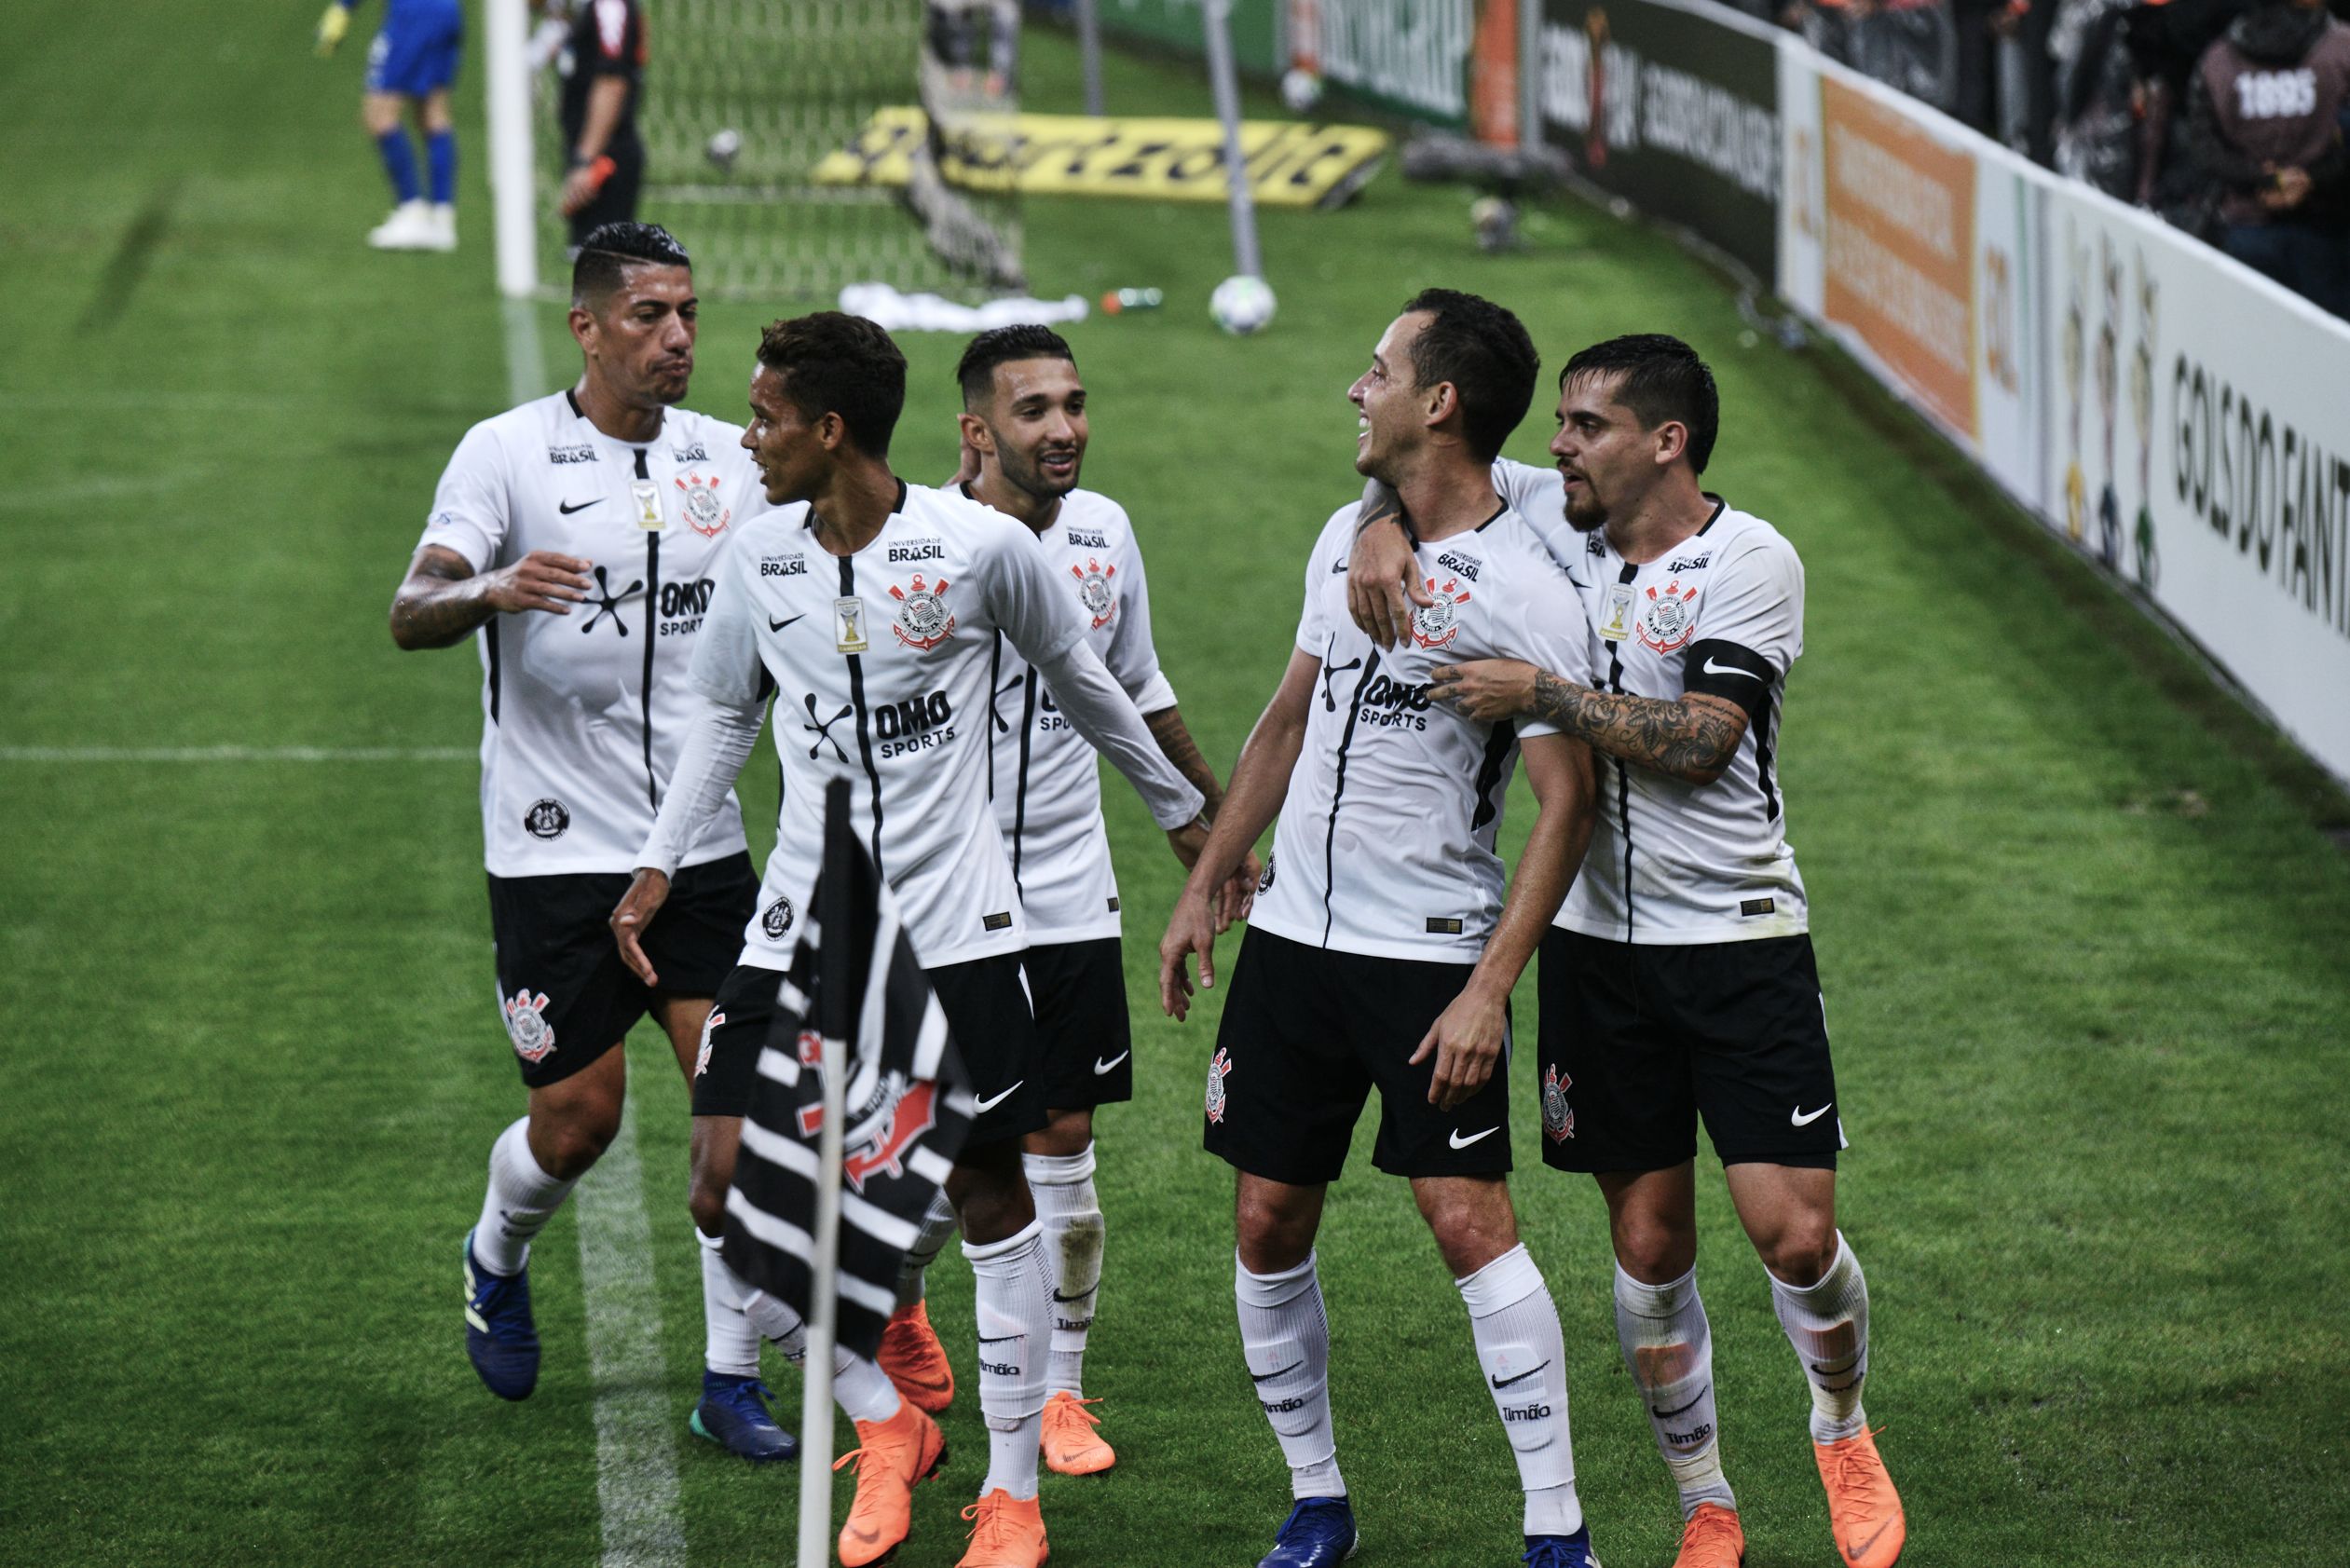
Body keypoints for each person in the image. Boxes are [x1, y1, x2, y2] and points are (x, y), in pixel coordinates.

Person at [609, 311, 1207, 1568]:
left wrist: (1187, 823)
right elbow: (724, 717)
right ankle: (888, 1422)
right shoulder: (757, 553)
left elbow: (1091, 685)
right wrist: (658, 863)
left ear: (830, 430)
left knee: (989, 1194)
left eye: (766, 415)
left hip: (959, 929)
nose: (749, 435)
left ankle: (1008, 1496)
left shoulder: (982, 551)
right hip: (797, 924)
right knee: (725, 1190)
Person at [1346, 334, 1906, 1568]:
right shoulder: (1555, 513)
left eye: (1586, 425)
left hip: (1740, 940)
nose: (1555, 447)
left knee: (1794, 1234)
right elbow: (1423, 468)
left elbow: (1703, 739)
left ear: (1667, 442)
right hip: (1596, 954)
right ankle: (1704, 1498)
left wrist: (1546, 692)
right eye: (1557, 424)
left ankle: (1840, 1423)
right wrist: (1376, 524)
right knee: (1647, 1246)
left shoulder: (1746, 560)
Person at [1157, 290, 1604, 1568]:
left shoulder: (1527, 583)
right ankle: (1315, 1497)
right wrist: (1209, 874)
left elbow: (1563, 807)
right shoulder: (1344, 537)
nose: (1357, 389)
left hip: (1426, 955)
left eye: (1378, 370)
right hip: (1292, 944)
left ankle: (1556, 1525)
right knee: (1263, 1219)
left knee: (1468, 1221)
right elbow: (1286, 717)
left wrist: (1486, 987)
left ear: (1440, 401)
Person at [387, 221, 796, 1464]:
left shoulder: (729, 459)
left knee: (732, 1111)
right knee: (578, 1120)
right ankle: (495, 1252)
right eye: (646, 317)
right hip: (552, 850)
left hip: (699, 845)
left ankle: (731, 1381)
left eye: (686, 313)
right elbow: (412, 608)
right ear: (587, 326)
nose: (676, 338)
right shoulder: (505, 454)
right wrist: (489, 590)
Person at [874, 323, 1254, 1477]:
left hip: (1067, 883)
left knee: (1066, 1154)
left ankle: (1058, 1396)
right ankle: (897, 1299)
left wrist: (1214, 823)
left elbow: (1132, 688)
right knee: (958, 1148)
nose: (1064, 430)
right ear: (974, 431)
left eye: (1074, 404)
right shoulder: (912, 544)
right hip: (943, 889)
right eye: (1033, 410)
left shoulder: (1103, 533)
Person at [2186, 0, 2350, 315]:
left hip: (2247, 225)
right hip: (2324, 228)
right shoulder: (2341, 48)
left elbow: (2203, 145)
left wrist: (2261, 178)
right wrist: (2310, 177)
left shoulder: (2218, 58)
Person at [318, 0, 465, 251]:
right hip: (447, 11)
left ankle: (413, 212)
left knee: (379, 115)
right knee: (433, 113)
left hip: (412, 14)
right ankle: (442, 221)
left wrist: (344, 7)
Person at [552, 0, 652, 252]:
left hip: (604, 162)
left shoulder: (611, 7)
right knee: (589, 270)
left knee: (602, 270)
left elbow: (612, 81)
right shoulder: (588, 9)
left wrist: (584, 161)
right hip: (593, 154)